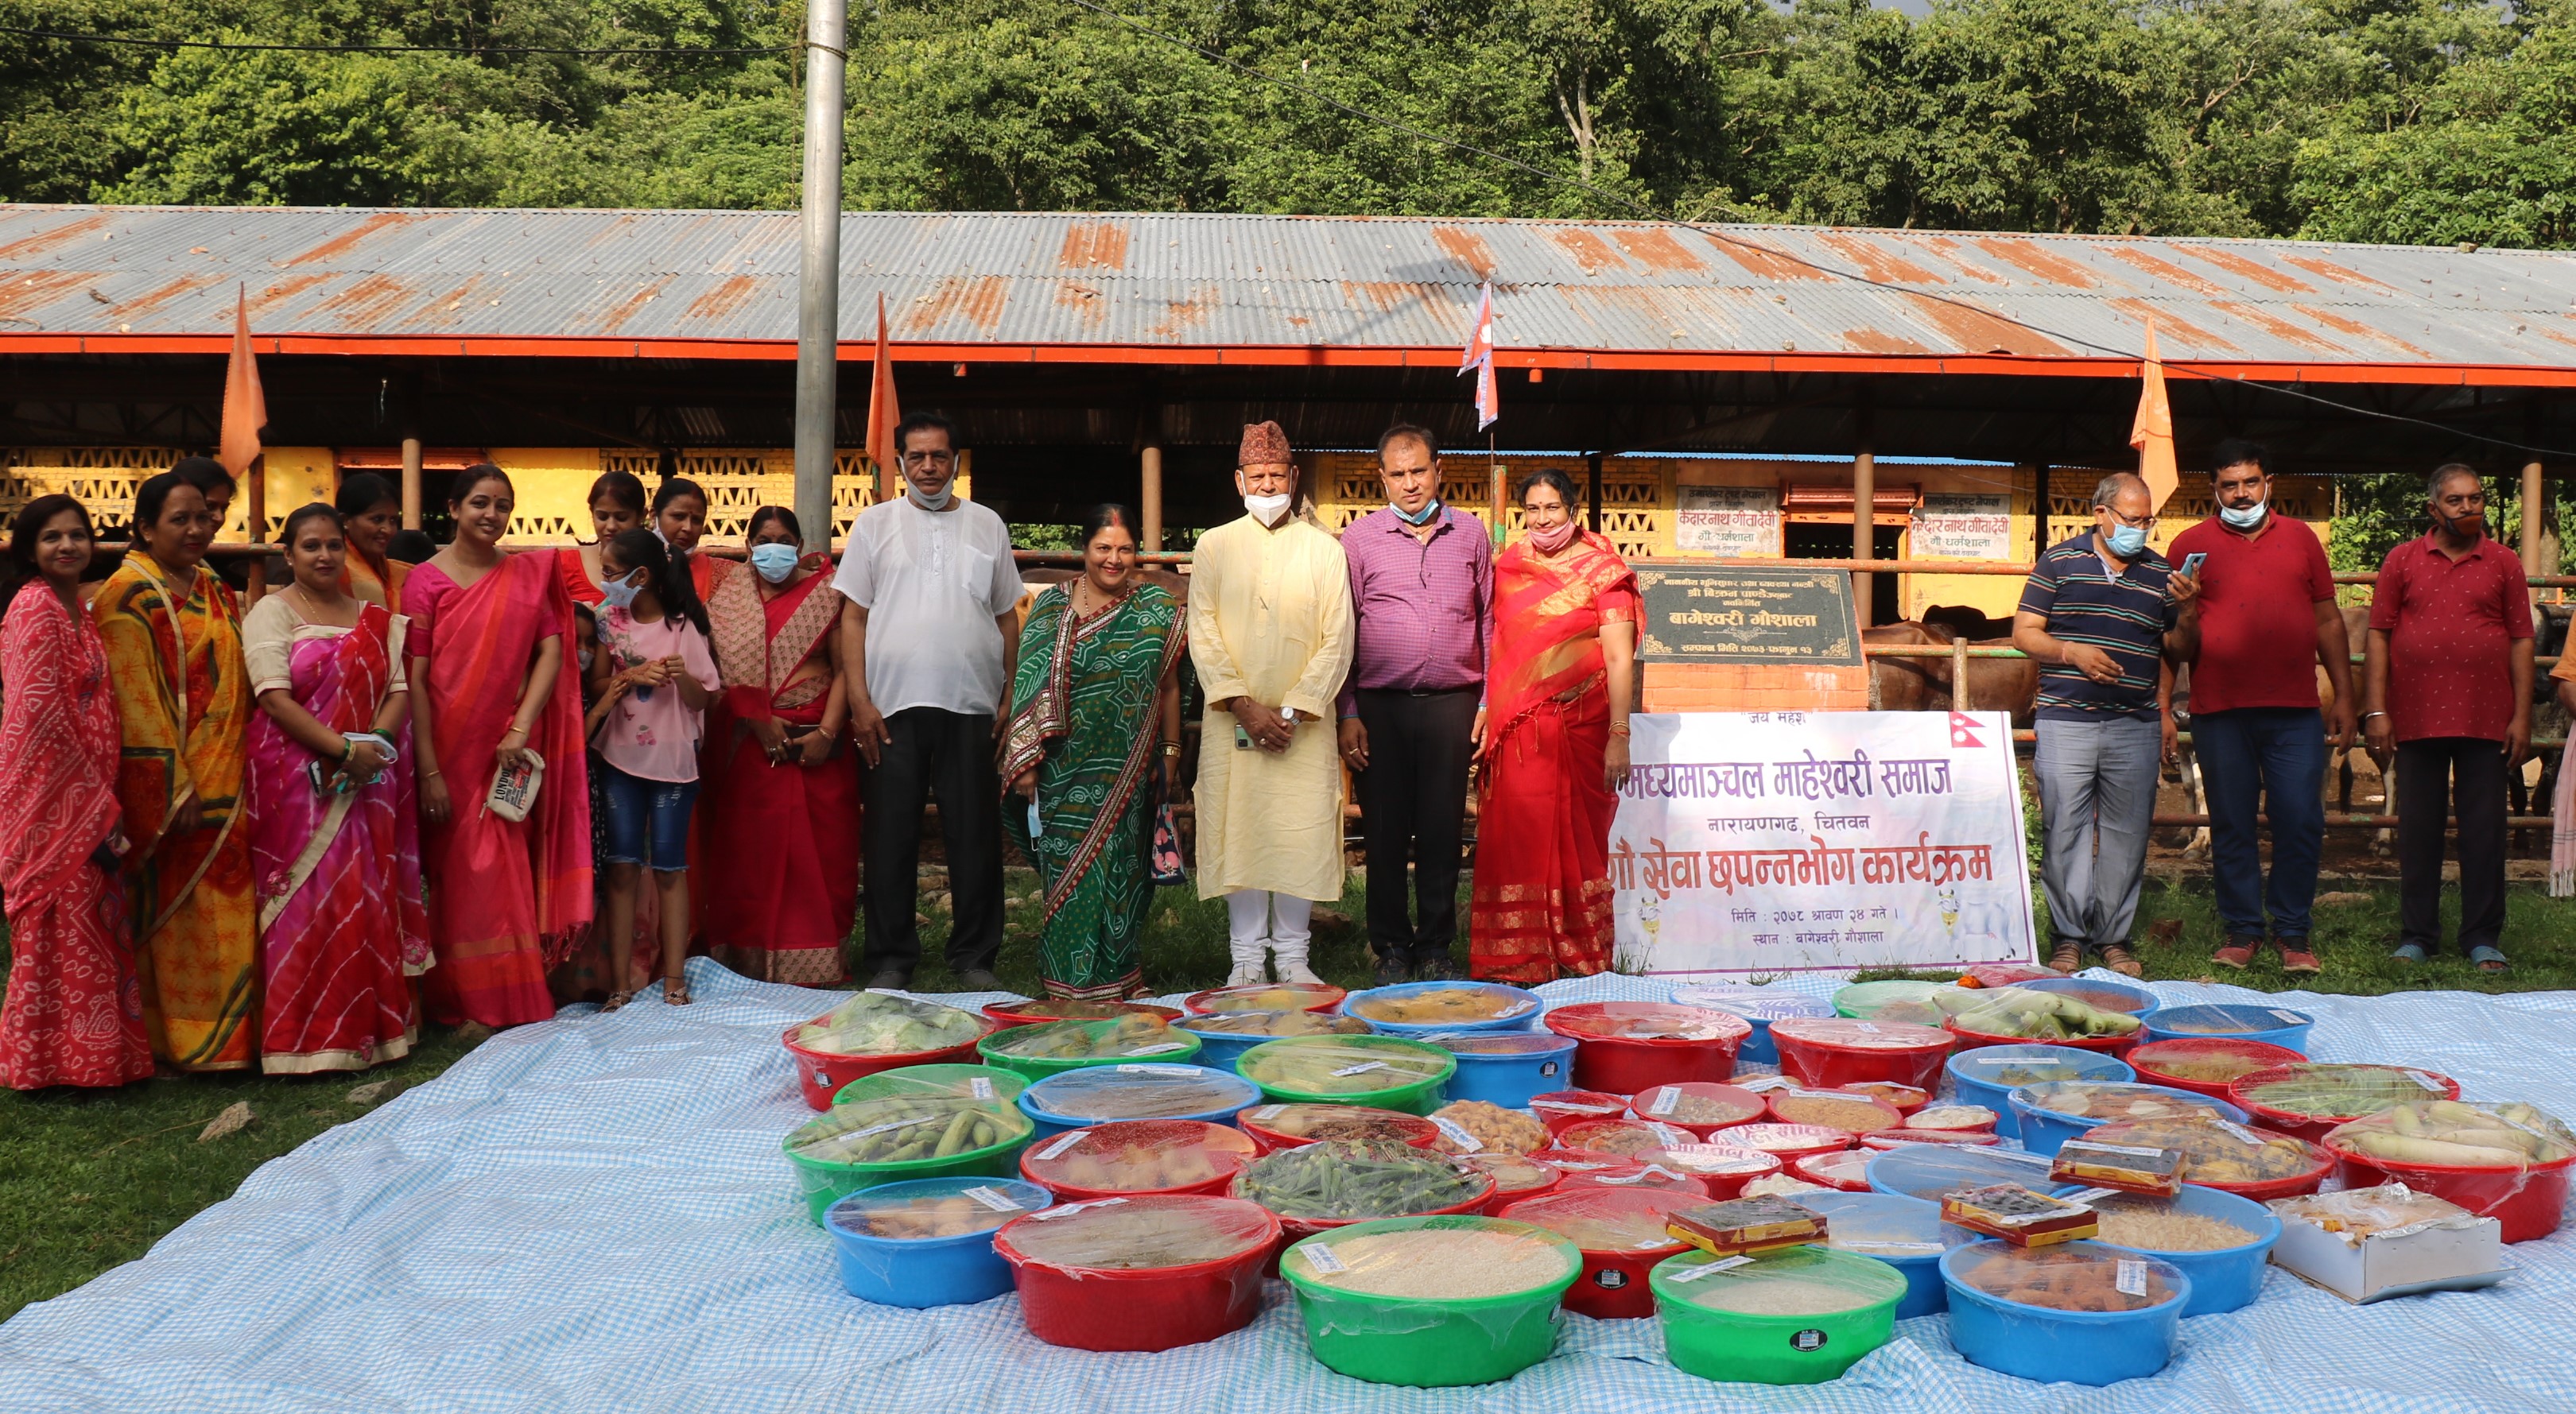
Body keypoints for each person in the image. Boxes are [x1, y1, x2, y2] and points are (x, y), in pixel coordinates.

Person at [836, 412, 1025, 990]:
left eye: (939, 456)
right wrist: (860, 702)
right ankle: (891, 958)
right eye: (916, 456)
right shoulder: (874, 523)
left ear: (956, 462)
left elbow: (1006, 616)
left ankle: (974, 958)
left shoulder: (987, 523)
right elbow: (853, 617)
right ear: (899, 463)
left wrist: (1009, 695)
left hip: (971, 703)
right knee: (890, 834)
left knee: (974, 833)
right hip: (890, 707)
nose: (928, 467)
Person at [402, 464, 592, 1027]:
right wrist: (430, 771)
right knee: (461, 878)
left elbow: (551, 653)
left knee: (503, 871)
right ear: (454, 508)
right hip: (449, 752)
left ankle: (508, 996)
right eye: (480, 503)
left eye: (502, 505)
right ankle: (462, 1000)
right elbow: (415, 678)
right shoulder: (426, 580)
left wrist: (519, 728)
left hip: (509, 751)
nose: (492, 515)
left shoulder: (527, 576)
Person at [242, 503, 429, 1071]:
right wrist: (343, 750)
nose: (323, 556)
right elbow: (273, 697)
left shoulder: (374, 617)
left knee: (363, 897)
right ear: (288, 554)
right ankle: (300, 1041)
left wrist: (373, 744)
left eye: (331, 545)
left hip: (370, 776)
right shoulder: (271, 614)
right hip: (295, 781)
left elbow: (398, 689)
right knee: (304, 902)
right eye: (310, 546)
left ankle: (369, 1033)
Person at [2169, 440, 2354, 976]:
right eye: (2231, 484)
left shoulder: (2302, 540)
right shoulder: (2189, 544)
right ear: (2214, 490)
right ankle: (2242, 930)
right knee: (2231, 823)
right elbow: (2175, 646)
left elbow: (2328, 621)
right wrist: (2185, 611)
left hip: (2295, 709)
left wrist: (2344, 695)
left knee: (2300, 818)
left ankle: (2293, 933)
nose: (2242, 493)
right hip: (2219, 709)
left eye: (2251, 481)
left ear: (2268, 482)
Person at [95, 471, 259, 1070]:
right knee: (176, 916)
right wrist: (175, 785)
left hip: (231, 776)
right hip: (181, 788)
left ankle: (232, 1039)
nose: (199, 528)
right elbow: (134, 701)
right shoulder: (126, 596)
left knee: (229, 909)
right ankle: (177, 1040)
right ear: (145, 528)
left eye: (205, 517)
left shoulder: (211, 582)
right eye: (181, 519)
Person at [2014, 471, 2202, 978]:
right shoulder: (2059, 562)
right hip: (2066, 720)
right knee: (2065, 830)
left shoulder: (2161, 574)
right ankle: (2069, 939)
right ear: (2101, 514)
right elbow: (2024, 632)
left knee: (2127, 833)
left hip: (2134, 723)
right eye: (2132, 519)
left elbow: (2178, 651)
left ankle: (2113, 939)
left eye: (2148, 521)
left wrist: (2187, 612)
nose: (2141, 529)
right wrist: (2070, 651)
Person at [1189, 421, 1355, 987]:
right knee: (1242, 828)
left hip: (1302, 727)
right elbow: (1202, 631)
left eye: (1276, 476)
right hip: (1233, 719)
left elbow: (1339, 636)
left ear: (1295, 478)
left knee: (1297, 831)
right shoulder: (1213, 546)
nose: (1267, 486)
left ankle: (1291, 956)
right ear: (1239, 481)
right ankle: (1243, 957)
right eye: (1257, 476)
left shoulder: (1326, 551)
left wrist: (1294, 711)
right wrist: (1244, 707)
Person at [1003, 505, 1186, 999]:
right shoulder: (1049, 607)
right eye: (1103, 548)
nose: (1114, 559)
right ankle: (1068, 985)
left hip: (1130, 770)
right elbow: (1028, 683)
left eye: (1124, 549)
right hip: (1063, 770)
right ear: (1084, 551)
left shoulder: (1156, 609)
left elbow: (1169, 687)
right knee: (1069, 878)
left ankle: (1118, 978)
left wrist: (1170, 752)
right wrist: (1026, 762)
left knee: (1124, 874)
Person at [0, 495, 152, 1089]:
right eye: (52, 537)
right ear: (31, 549)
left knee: (92, 918)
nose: (68, 546)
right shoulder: (34, 607)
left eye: (78, 535)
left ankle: (93, 1059)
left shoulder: (78, 608)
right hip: (51, 799)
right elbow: (38, 718)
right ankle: (46, 1066)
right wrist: (90, 804)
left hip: (90, 792)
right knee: (59, 921)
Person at [1336, 424, 1492, 986]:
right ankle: (1391, 947)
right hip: (1380, 707)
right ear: (1381, 478)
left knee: (1442, 830)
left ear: (1439, 469)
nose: (1409, 484)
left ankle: (1435, 946)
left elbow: (1491, 620)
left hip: (1453, 703)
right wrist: (1349, 711)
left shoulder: (1471, 535)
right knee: (1384, 830)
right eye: (1397, 474)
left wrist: (1489, 699)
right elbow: (1344, 629)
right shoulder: (1359, 541)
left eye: (1418, 471)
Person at [1468, 471, 1637, 985]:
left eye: (1553, 508)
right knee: (1517, 840)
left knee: (1577, 844)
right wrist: (1485, 705)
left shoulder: (1603, 570)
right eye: (1533, 509)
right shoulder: (1511, 566)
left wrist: (1620, 733)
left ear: (1573, 510)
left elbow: (1619, 657)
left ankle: (1575, 953)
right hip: (1519, 736)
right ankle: (1514, 960)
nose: (1543, 519)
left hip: (1581, 727)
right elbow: (1499, 647)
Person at [2365, 463, 2532, 972]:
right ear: (2432, 509)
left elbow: (2523, 639)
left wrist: (2521, 716)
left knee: (2485, 830)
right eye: (2456, 501)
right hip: (2416, 717)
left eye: (2476, 499)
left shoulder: (2504, 562)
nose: (2469, 508)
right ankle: (2417, 935)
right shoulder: (2402, 560)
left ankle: (2483, 938)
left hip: (2487, 718)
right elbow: (2379, 635)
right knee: (2419, 831)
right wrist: (2377, 710)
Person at [700, 506, 859, 986]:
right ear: (749, 546)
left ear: (799, 544)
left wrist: (828, 734)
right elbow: (718, 676)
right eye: (765, 539)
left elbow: (845, 668)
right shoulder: (727, 600)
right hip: (750, 746)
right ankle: (747, 960)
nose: (775, 548)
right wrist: (758, 719)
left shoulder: (826, 595)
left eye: (785, 539)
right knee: (751, 856)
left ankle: (817, 963)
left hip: (815, 744)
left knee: (822, 854)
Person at [586, 529, 723, 1008]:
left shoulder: (684, 626)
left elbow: (705, 696)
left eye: (609, 573)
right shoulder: (608, 619)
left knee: (669, 867)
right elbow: (599, 679)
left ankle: (674, 978)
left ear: (639, 576)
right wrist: (632, 675)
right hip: (619, 760)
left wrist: (680, 677)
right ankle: (620, 983)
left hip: (673, 763)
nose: (604, 582)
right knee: (621, 868)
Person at [561, 471, 649, 608]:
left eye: (621, 518)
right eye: (602, 517)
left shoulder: (659, 566)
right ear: (592, 513)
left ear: (642, 516)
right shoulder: (565, 565)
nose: (611, 526)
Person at [332, 473, 411, 611]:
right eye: (377, 519)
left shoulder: (403, 575)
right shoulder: (330, 572)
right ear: (345, 521)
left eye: (393, 520)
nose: (388, 530)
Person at [173, 456, 250, 593]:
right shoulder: (139, 579)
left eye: (224, 509)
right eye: (209, 506)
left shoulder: (203, 571)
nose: (220, 518)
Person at [653, 476, 732, 602]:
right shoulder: (626, 565)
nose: (688, 528)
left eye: (696, 520)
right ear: (654, 516)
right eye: (678, 516)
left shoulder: (727, 574)